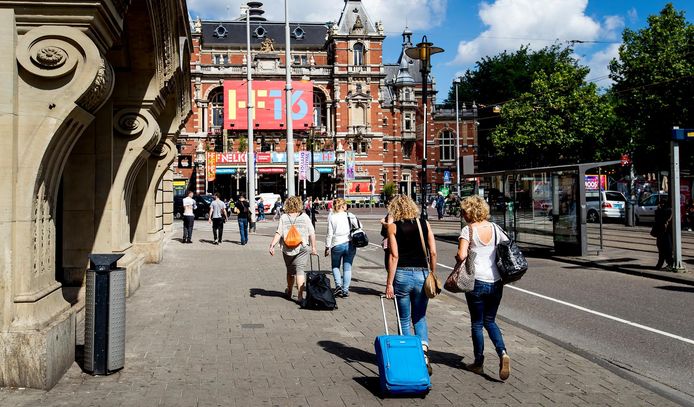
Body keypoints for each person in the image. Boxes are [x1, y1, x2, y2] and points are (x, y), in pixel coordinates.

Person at [456, 195, 511, 381]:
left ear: (470, 212)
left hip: (476, 281)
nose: (462, 214)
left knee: (477, 323)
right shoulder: (495, 228)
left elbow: (461, 255)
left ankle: (478, 362)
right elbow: (507, 246)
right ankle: (502, 352)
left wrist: (462, 257)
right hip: (496, 282)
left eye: (464, 211)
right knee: (490, 321)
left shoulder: (468, 230)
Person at [385, 194, 436, 375]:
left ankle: (409, 356)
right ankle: (423, 353)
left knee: (404, 318)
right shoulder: (424, 224)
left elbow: (394, 256)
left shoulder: (393, 227)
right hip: (422, 274)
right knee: (420, 316)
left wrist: (389, 283)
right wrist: (432, 272)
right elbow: (433, 251)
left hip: (402, 275)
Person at [269, 196, 317, 302]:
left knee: (290, 271)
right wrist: (313, 247)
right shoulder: (304, 217)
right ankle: (300, 296)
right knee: (300, 270)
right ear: (299, 204)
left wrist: (272, 245)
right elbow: (312, 232)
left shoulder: (284, 217)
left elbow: (279, 232)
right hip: (303, 247)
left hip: (288, 248)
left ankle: (289, 291)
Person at [325, 198, 357, 298]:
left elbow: (329, 233)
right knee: (347, 268)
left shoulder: (331, 216)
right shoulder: (349, 215)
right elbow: (359, 226)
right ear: (343, 206)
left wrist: (327, 247)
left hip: (336, 244)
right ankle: (345, 290)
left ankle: (338, 286)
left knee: (335, 266)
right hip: (349, 243)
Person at [653, 196, 673, 269]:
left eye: (661, 203)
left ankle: (667, 263)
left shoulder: (666, 210)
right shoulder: (666, 210)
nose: (660, 204)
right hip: (663, 232)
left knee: (665, 249)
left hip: (665, 233)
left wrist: (658, 210)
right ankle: (663, 263)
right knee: (663, 248)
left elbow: (659, 219)